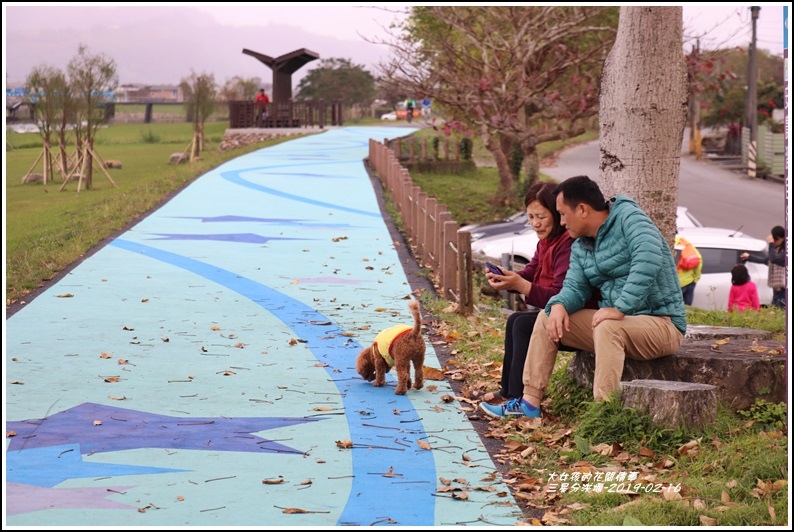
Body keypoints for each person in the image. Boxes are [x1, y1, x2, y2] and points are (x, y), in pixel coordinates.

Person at [483, 175, 686, 418]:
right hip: (617, 326)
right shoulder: (580, 244)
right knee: (547, 316)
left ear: (582, 209)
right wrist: (558, 304)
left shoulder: (630, 218)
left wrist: (620, 307)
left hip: (661, 324)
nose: (560, 222)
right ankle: (529, 403)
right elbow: (574, 287)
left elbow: (649, 258)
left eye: (562, 214)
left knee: (609, 325)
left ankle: (603, 414)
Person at [479, 182, 598, 417]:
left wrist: (521, 285)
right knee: (515, 319)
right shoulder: (545, 241)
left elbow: (562, 294)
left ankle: (517, 399)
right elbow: (529, 274)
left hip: (578, 316)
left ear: (556, 213)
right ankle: (509, 391)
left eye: (541, 216)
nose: (535, 223)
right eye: (530, 217)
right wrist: (507, 279)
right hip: (558, 313)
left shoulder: (569, 244)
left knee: (523, 324)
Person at [741, 225, 786, 309]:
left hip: (784, 291)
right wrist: (749, 257)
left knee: (779, 313)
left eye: (776, 240)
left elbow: (773, 259)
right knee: (775, 312)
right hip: (776, 289)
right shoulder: (777, 250)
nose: (774, 242)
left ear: (783, 238)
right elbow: (766, 260)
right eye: (773, 240)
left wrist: (771, 244)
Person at [675, 234, 702, 306]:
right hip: (689, 281)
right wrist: (696, 278)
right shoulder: (687, 245)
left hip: (675, 283)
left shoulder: (669, 244)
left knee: (675, 306)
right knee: (687, 307)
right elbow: (698, 260)